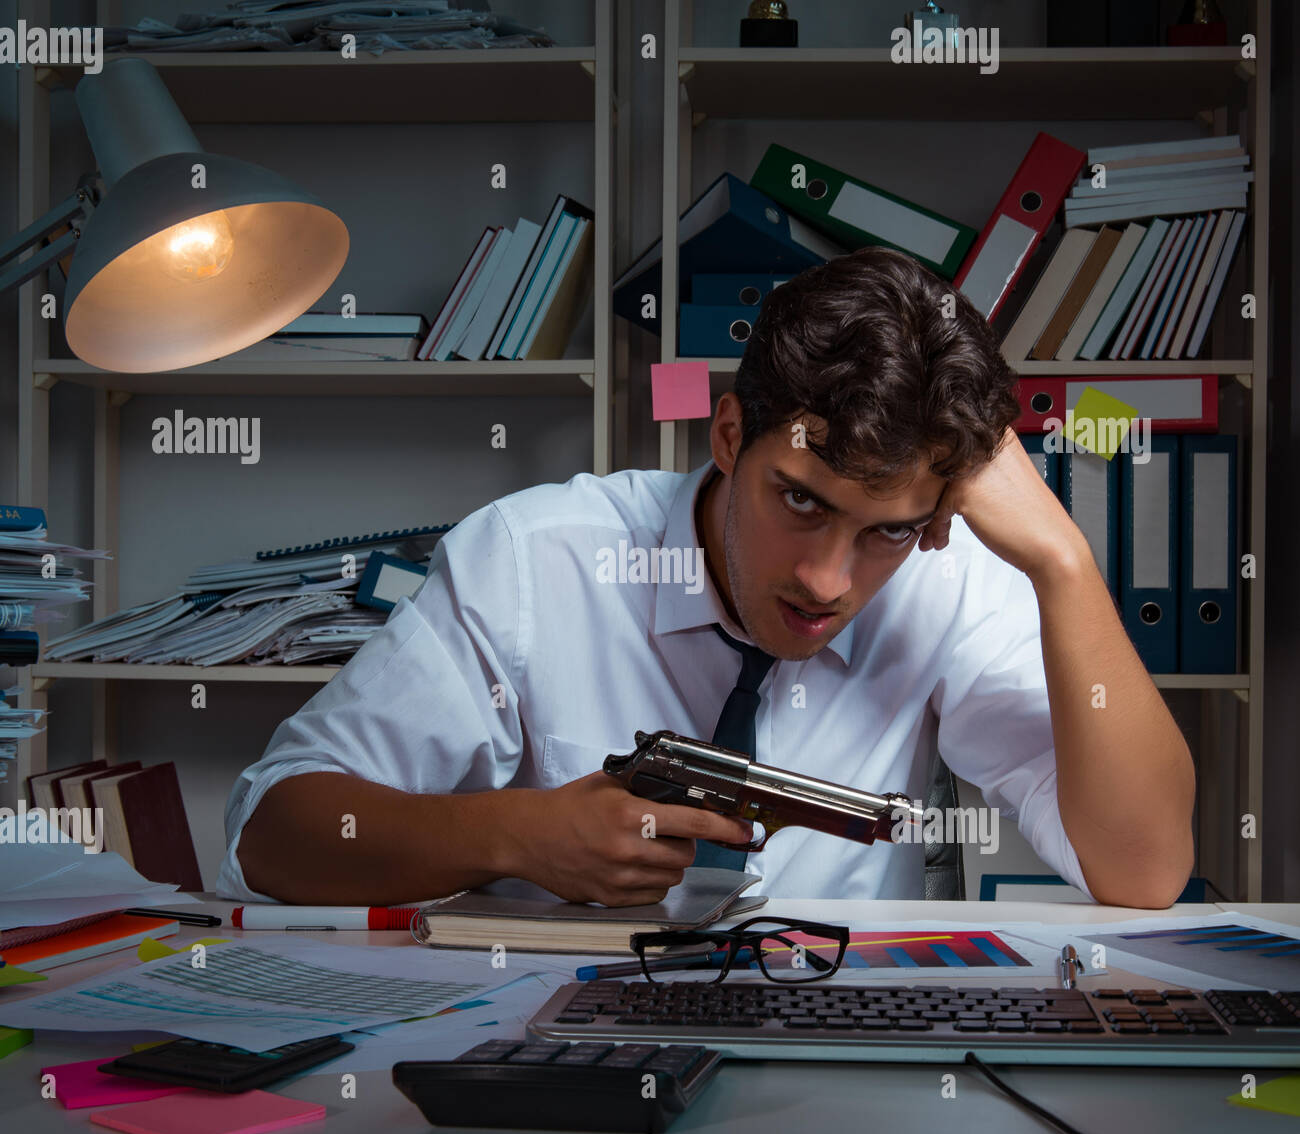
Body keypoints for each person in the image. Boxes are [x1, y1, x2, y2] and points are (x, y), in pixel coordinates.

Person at [218, 246, 1195, 909]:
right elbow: (272, 831)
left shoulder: (947, 573)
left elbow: (1144, 871)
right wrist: (515, 833)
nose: (825, 579)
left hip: (827, 1069)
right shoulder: (531, 555)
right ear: (728, 435)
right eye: (801, 501)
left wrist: (1063, 564)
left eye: (885, 532)